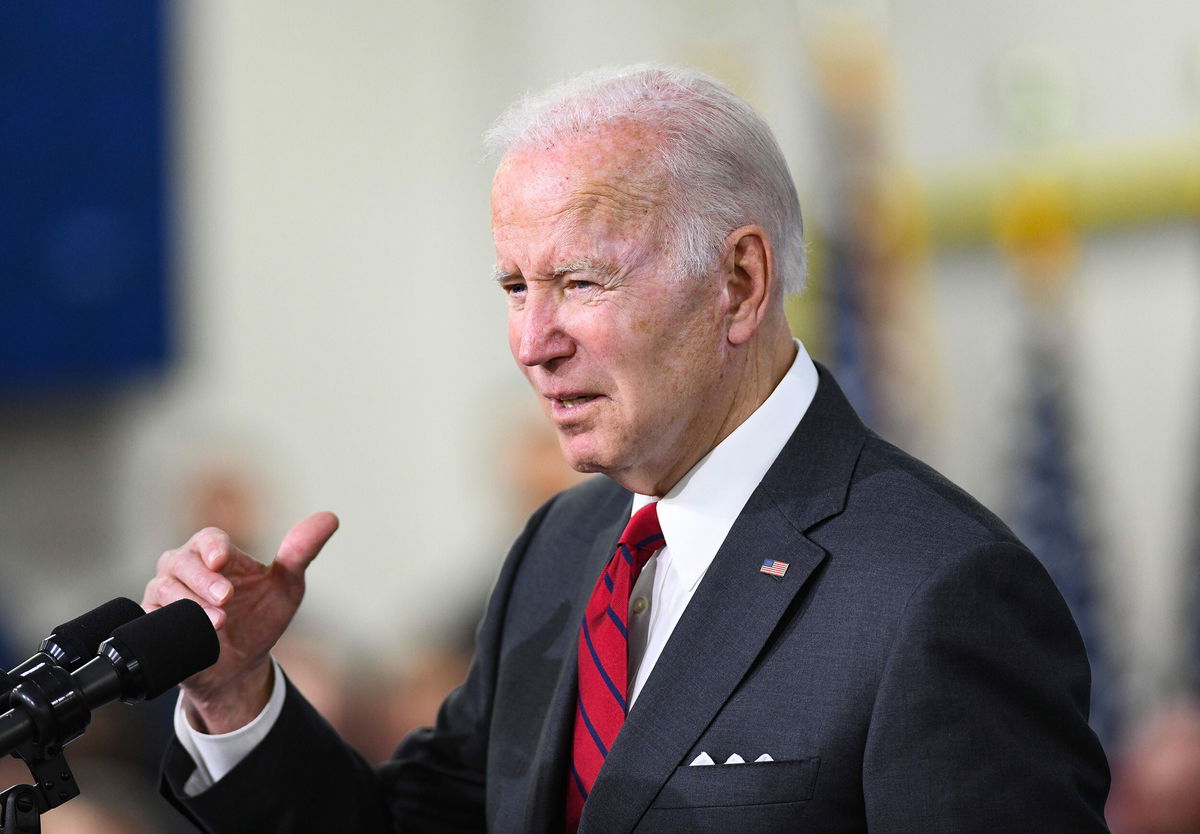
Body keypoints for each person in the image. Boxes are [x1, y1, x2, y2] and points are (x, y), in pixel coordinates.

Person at [142, 64, 1110, 832]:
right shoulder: (561, 550)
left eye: (580, 282)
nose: (532, 342)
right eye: (515, 288)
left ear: (738, 281)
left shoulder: (938, 589)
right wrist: (235, 697)